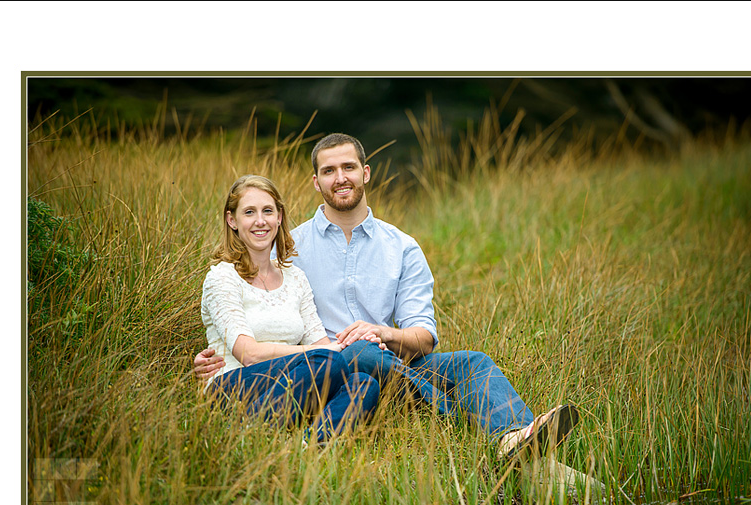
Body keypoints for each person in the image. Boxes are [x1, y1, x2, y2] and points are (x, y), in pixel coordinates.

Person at [196, 136, 578, 458]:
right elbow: (253, 306)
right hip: (329, 370)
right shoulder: (290, 249)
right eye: (329, 171)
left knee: (472, 362)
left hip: (394, 364)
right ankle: (457, 417)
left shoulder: (402, 247)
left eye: (348, 167)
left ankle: (513, 435)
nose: (340, 178)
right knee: (357, 352)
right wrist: (219, 356)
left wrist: (384, 333)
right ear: (316, 182)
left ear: (365, 173)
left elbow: (424, 338)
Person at [200, 173, 380, 444]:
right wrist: (321, 354)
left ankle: (312, 445)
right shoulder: (222, 277)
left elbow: (321, 343)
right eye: (249, 212)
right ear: (232, 220)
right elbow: (248, 354)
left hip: (293, 382)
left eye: (268, 211)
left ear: (279, 217)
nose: (260, 221)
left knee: (364, 382)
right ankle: (250, 434)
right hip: (233, 384)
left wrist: (360, 339)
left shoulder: (295, 278)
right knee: (326, 361)